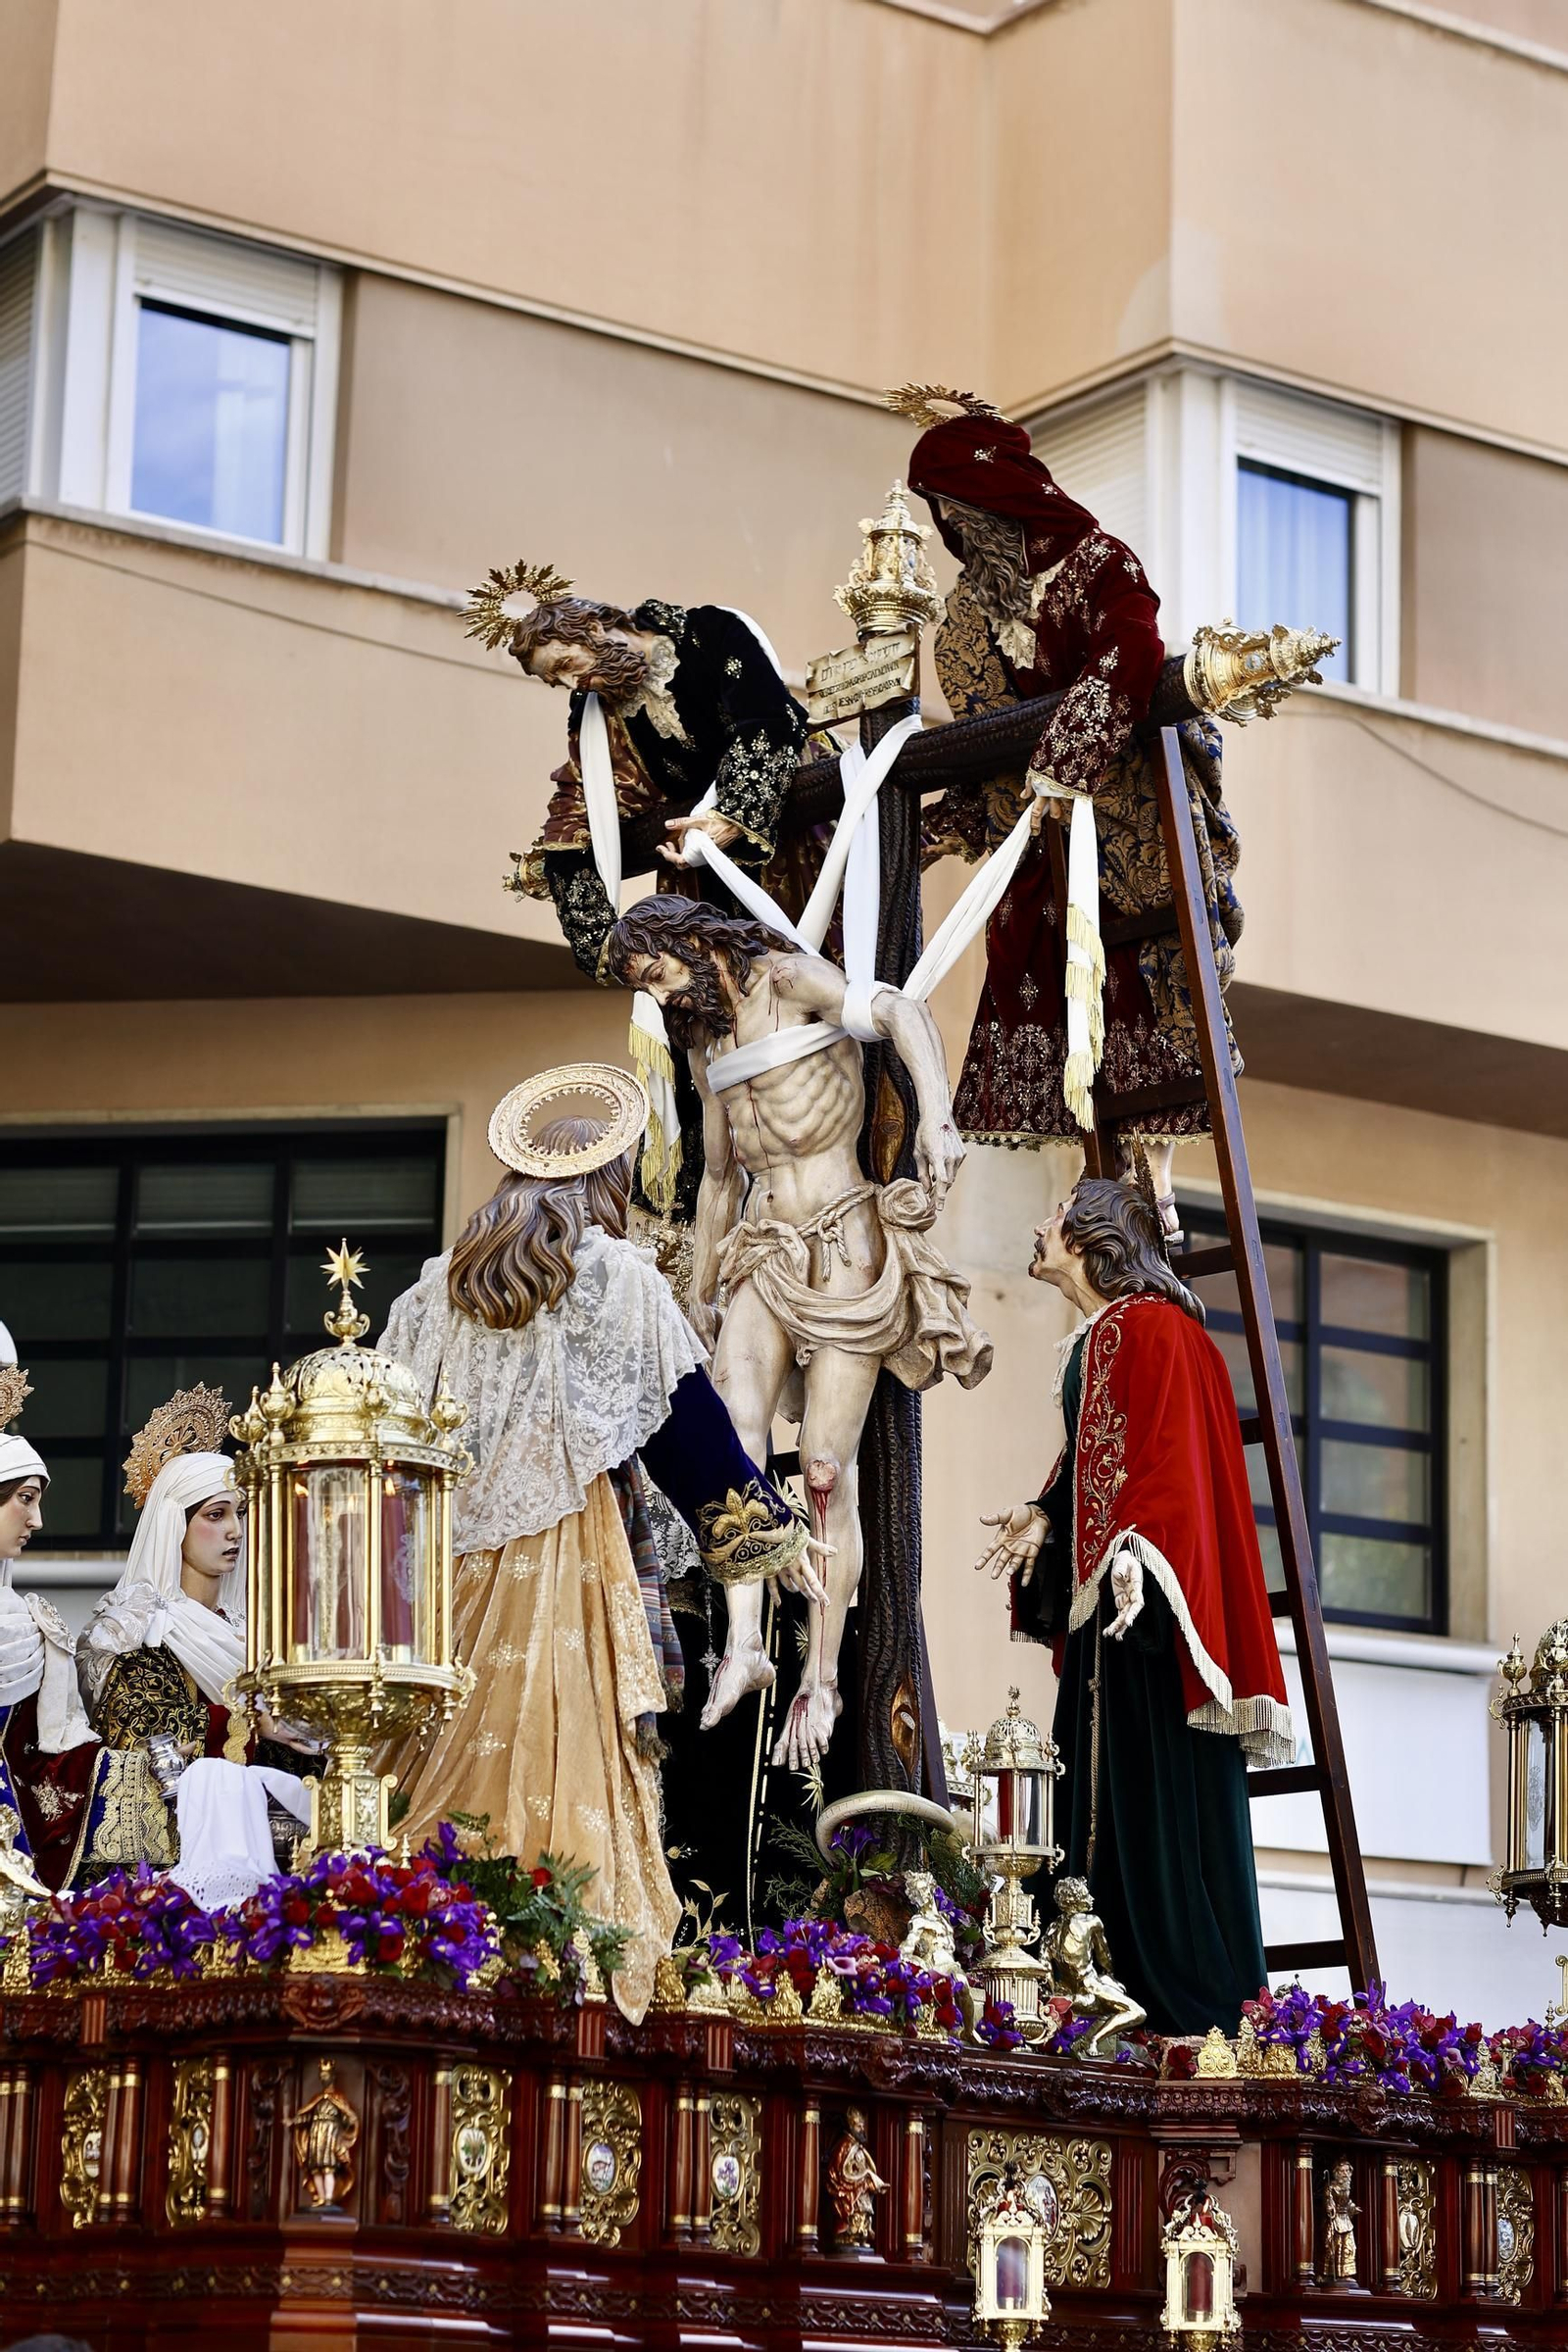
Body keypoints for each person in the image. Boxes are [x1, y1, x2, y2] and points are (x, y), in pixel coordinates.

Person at [377, 1063, 821, 2023]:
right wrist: (767, 1536)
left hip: (447, 1582)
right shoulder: (613, 1276)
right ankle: (560, 1966)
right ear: (606, 1183)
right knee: (562, 1759)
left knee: (450, 1764)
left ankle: (436, 1948)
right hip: (562, 1573)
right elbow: (683, 1425)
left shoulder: (428, 1298)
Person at [607, 896, 990, 1773]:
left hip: (843, 1239)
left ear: (692, 941)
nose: (660, 997)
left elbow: (899, 1010)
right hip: (760, 1248)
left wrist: (936, 1114)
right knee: (726, 1440)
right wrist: (697, 1294)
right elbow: (712, 1183)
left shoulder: (789, 981)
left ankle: (821, 1677)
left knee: (823, 1471)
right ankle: (746, 1641)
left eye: (658, 972)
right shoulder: (706, 1045)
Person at [891, 385, 1245, 1241]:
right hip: (1039, 837)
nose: (950, 530)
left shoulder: (1099, 564)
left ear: (992, 499)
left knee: (1145, 990)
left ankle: (1154, 1189)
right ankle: (1096, 1188)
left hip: (1129, 821)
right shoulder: (967, 619)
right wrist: (932, 832)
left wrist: (1064, 761)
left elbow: (1134, 653)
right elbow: (982, 743)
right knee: (1042, 979)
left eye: (955, 508)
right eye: (941, 514)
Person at [975, 1176, 1291, 2034]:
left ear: (1089, 1236)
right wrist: (1047, 1515)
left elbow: (1160, 1465)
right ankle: (1110, 1970)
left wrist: (1133, 1551)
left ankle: (1155, 1990)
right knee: (1113, 1791)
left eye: (1054, 1218)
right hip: (1126, 1601)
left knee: (1130, 1792)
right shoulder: (1137, 1331)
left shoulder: (1136, 1328)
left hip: (1137, 1614)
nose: (1039, 1230)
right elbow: (1103, 1458)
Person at [77, 1385, 310, 1868]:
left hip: (273, 1848)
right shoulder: (132, 1632)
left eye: (239, 1514)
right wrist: (254, 1723)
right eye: (215, 1515)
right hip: (177, 1854)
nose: (235, 1531)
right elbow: (144, 1736)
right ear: (173, 1525)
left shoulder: (256, 1638)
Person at [0, 1365, 105, 1889]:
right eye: (25, 1498)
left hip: (18, 1842)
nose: (37, 1521)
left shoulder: (33, 1622)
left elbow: (55, 1753)